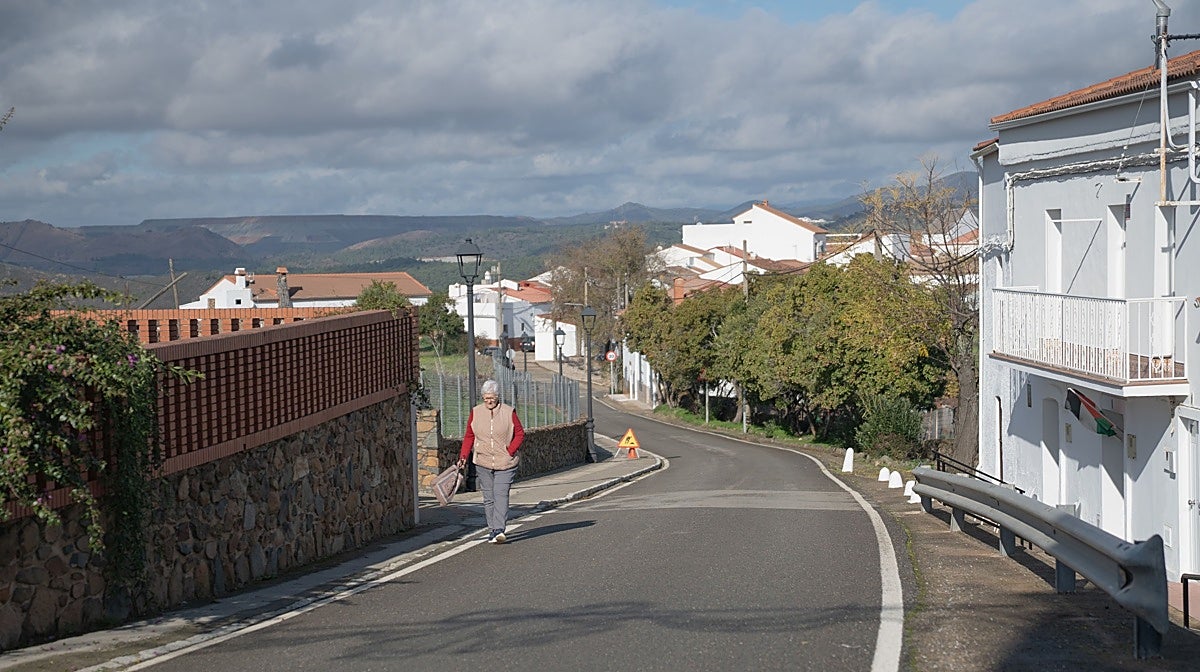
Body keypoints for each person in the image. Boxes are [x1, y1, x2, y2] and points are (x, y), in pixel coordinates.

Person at [457, 379, 524, 544]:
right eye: (486, 398)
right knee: (488, 497)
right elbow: (469, 436)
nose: (489, 401)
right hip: (482, 460)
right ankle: (492, 530)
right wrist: (464, 456)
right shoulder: (476, 412)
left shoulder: (509, 412)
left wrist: (510, 451)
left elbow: (520, 434)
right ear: (482, 397)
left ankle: (499, 529)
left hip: (505, 462)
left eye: (492, 398)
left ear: (497, 396)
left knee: (500, 494)